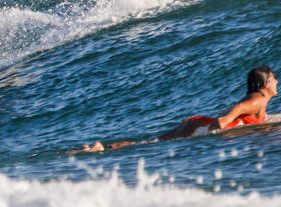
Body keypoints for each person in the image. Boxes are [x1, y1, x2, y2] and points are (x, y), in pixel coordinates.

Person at [82, 65, 277, 152]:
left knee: (151, 141)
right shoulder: (257, 99)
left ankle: (103, 148)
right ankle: (101, 148)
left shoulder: (256, 98)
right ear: (266, 83)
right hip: (200, 127)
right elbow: (233, 113)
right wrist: (220, 130)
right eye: (274, 78)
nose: (277, 81)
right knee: (150, 143)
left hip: (197, 123)